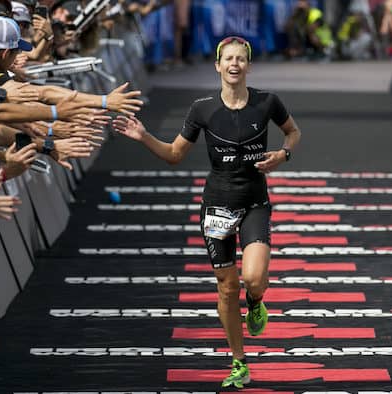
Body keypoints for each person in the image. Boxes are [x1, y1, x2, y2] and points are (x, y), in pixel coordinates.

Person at [112, 36, 302, 388]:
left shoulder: (267, 102)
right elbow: (174, 154)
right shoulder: (202, 109)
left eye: (240, 59)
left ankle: (257, 301)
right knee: (227, 287)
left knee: (253, 279)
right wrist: (143, 136)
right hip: (216, 206)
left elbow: (293, 132)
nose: (234, 64)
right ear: (217, 65)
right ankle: (239, 361)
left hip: (254, 201)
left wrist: (283, 154)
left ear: (248, 65)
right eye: (228, 59)